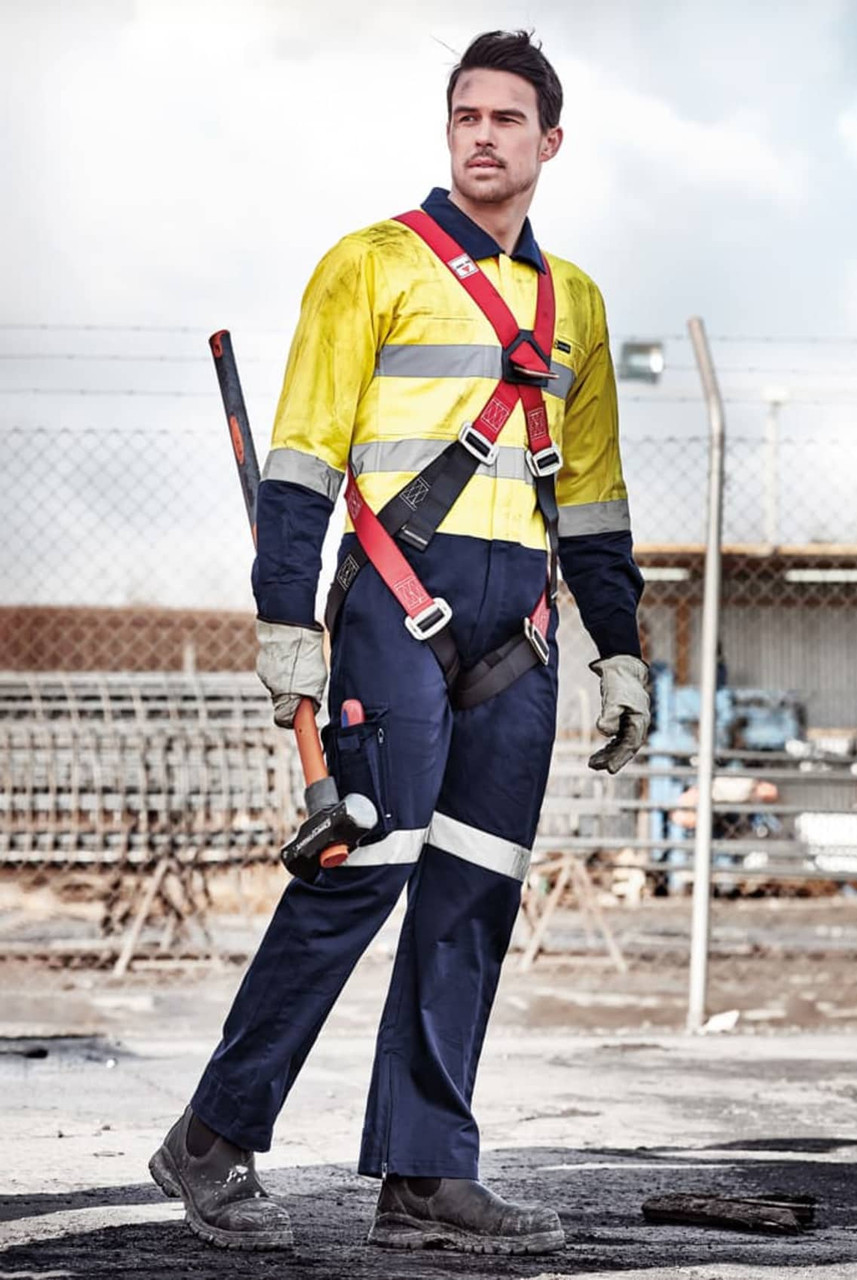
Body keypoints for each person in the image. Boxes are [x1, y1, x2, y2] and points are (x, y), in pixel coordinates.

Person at [150, 29, 649, 1256]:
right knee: (359, 871)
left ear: (549, 141)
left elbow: (591, 498)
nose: (482, 134)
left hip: (520, 634)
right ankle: (212, 1135)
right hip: (393, 608)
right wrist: (284, 614)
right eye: (464, 114)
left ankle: (425, 1173)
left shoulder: (575, 304)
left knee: (472, 894)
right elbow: (303, 454)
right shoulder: (369, 263)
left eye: (505, 118)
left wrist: (619, 646)